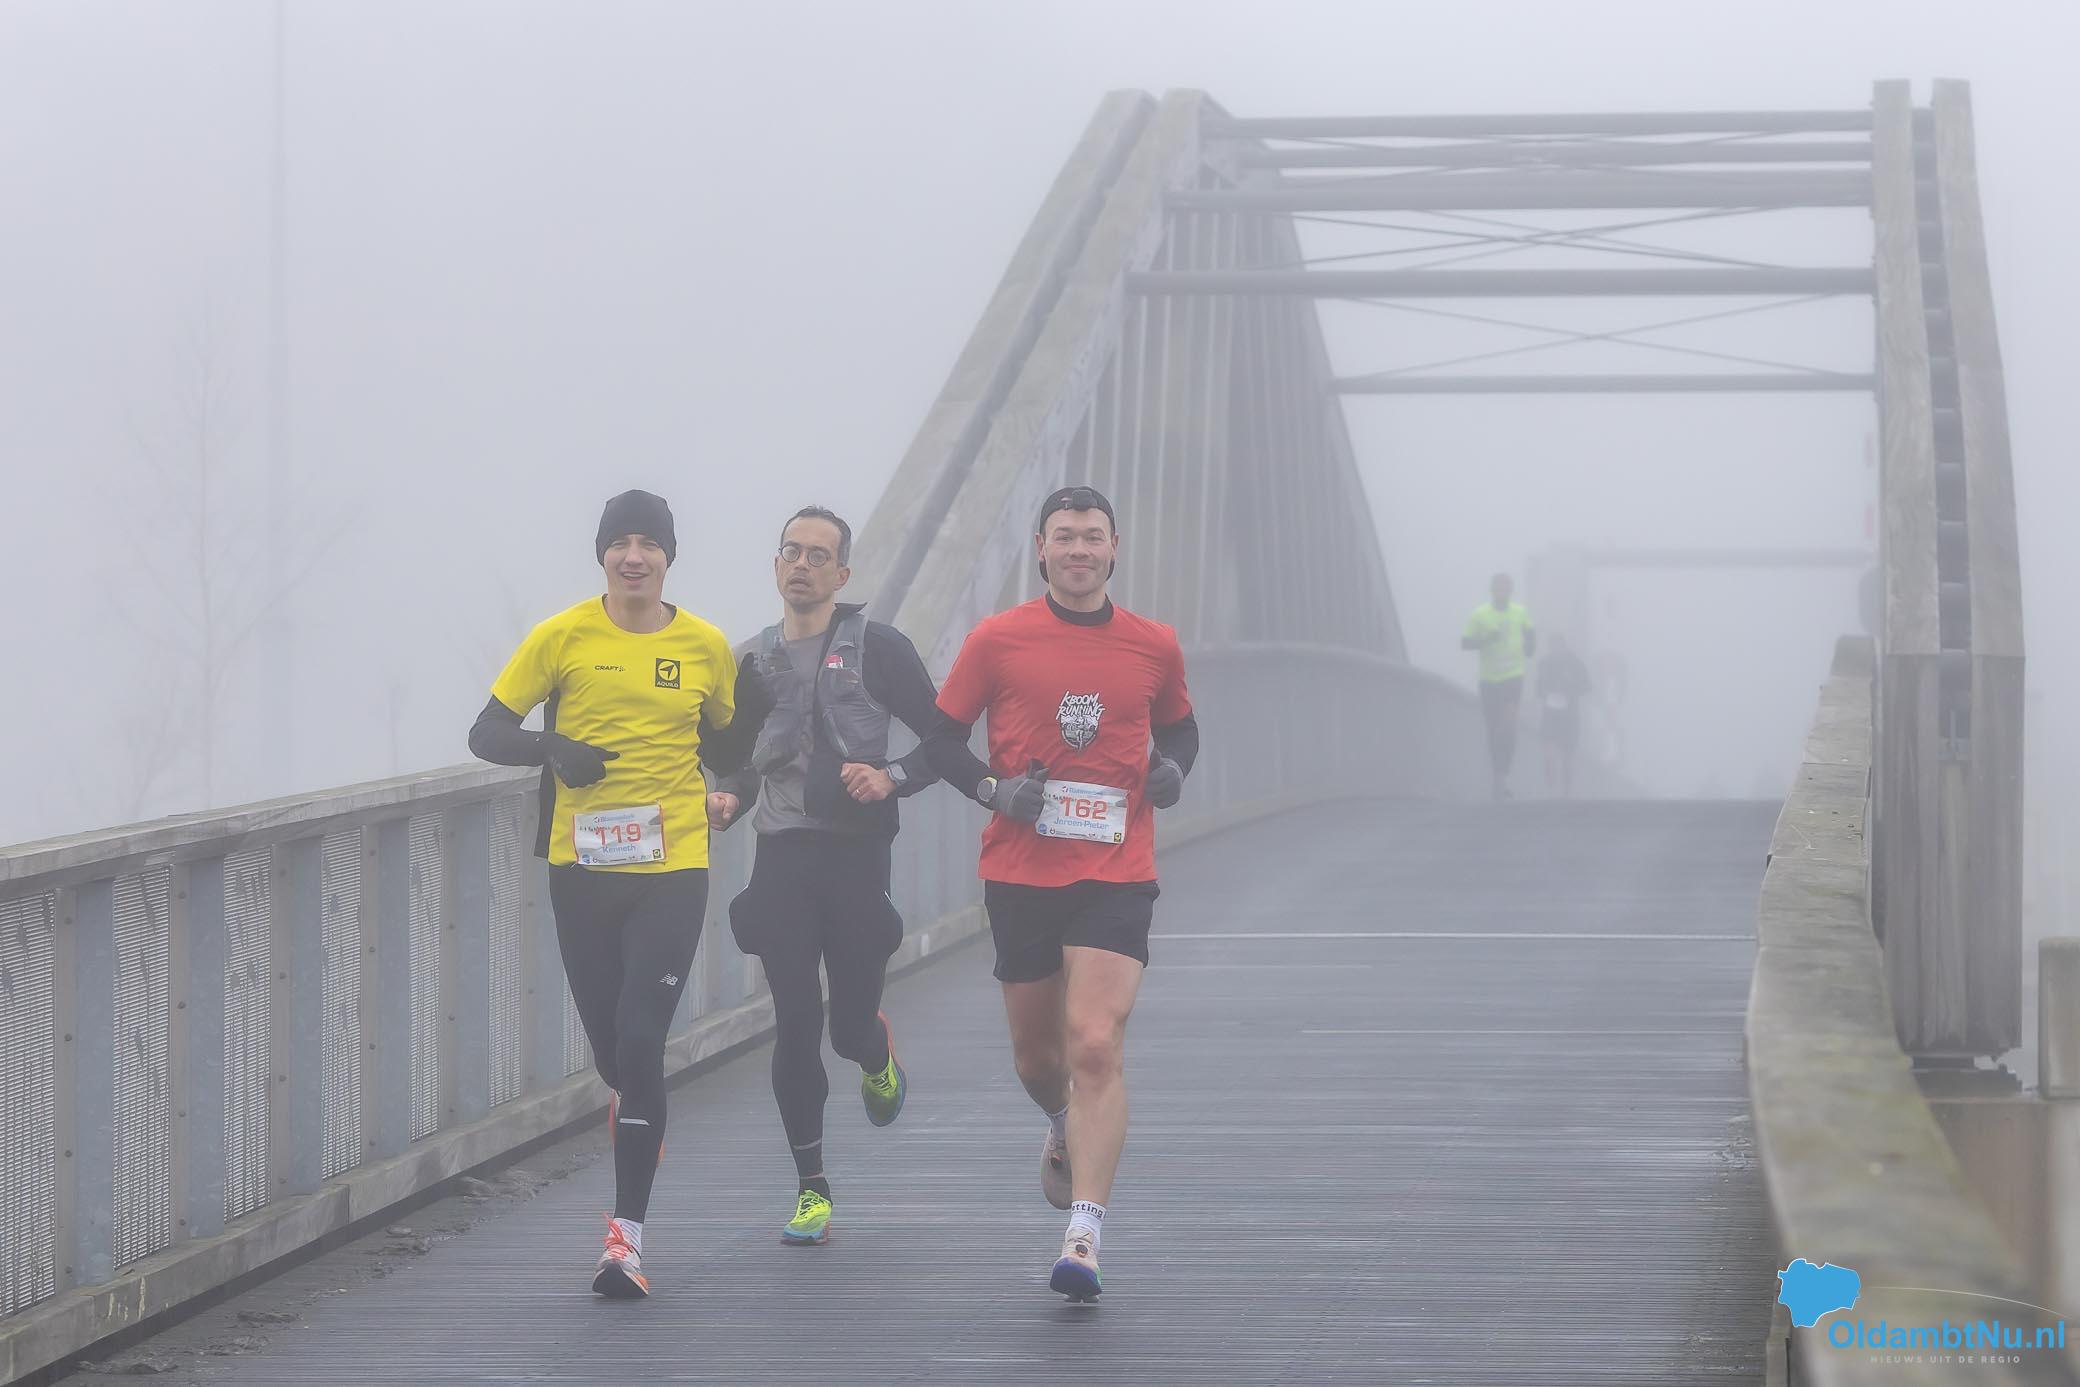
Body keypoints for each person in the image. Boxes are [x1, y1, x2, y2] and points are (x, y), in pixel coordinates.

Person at [466, 489, 748, 1300]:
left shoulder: (704, 645)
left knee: (641, 1035)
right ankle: (635, 1111)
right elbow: (486, 732)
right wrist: (552, 746)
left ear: (668, 557)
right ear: (602, 555)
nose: (634, 556)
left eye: (648, 543)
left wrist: (735, 791)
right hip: (583, 869)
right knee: (614, 1056)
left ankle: (625, 1240)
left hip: (672, 866)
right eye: (620, 542)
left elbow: (733, 745)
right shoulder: (562, 636)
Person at [922, 484, 1199, 1303]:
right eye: (1065, 536)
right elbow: (941, 738)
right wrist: (993, 789)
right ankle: (1058, 1123)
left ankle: (1084, 1233)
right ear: (1040, 549)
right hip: (1022, 870)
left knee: (1095, 1043)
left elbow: (1180, 726)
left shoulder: (1154, 644)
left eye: (1093, 536)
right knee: (1039, 1060)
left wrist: (1173, 771)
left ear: (1115, 548)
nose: (1080, 549)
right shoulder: (996, 639)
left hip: (1117, 870)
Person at [707, 505, 945, 1247]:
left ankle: (875, 1053)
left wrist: (892, 775)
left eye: (819, 555)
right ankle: (812, 1187)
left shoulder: (880, 648)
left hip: (856, 853)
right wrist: (729, 796)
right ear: (776, 566)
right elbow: (739, 760)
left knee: (845, 1029)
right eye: (792, 551)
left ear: (842, 575)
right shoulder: (751, 662)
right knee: (796, 1020)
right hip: (783, 853)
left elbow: (945, 738)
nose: (802, 565)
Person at [1461, 572, 1536, 800]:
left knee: (1508, 725)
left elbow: (1530, 635)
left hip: (1513, 676)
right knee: (1494, 729)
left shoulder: (1520, 612)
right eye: (1498, 588)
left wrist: (1530, 646)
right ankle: (1498, 775)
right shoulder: (1480, 614)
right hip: (1489, 679)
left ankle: (1505, 774)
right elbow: (1465, 643)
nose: (1502, 591)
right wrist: (1486, 640)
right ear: (1492, 590)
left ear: (1511, 590)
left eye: (1506, 588)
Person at [1535, 633, 1592, 798]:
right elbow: (1538, 688)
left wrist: (1570, 690)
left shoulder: (1575, 663)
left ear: (1564, 646)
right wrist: (1545, 692)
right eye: (1552, 647)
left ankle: (1566, 793)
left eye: (1558, 646)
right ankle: (1549, 768)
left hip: (1570, 714)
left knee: (1568, 755)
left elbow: (1587, 686)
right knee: (1549, 747)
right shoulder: (1544, 663)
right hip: (1550, 713)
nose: (1556, 650)